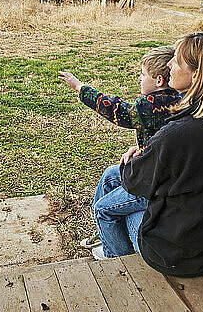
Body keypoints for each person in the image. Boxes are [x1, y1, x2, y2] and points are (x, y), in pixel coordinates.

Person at [91, 32, 203, 277]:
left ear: (196, 74)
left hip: (178, 257)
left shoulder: (180, 134)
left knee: (104, 208)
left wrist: (140, 156)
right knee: (111, 176)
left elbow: (135, 180)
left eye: (176, 60)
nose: (169, 65)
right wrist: (150, 154)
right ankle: (109, 243)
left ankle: (120, 262)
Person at [58, 46, 182, 250]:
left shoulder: (151, 106)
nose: (139, 79)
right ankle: (104, 233)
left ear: (159, 80)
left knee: (102, 209)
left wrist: (80, 88)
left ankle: (115, 256)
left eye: (143, 75)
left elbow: (117, 111)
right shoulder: (178, 100)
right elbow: (165, 141)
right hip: (156, 172)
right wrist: (143, 148)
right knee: (110, 175)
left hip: (155, 184)